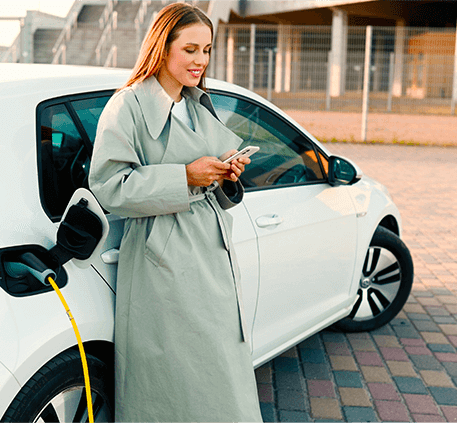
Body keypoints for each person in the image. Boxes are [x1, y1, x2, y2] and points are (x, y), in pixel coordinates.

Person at [88, 3, 262, 422]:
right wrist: (184, 176)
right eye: (190, 50)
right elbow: (110, 187)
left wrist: (227, 176)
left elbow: (212, 189)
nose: (201, 61)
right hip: (162, 262)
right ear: (163, 47)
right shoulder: (127, 106)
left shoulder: (198, 104)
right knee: (173, 379)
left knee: (222, 372)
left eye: (206, 50)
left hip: (213, 254)